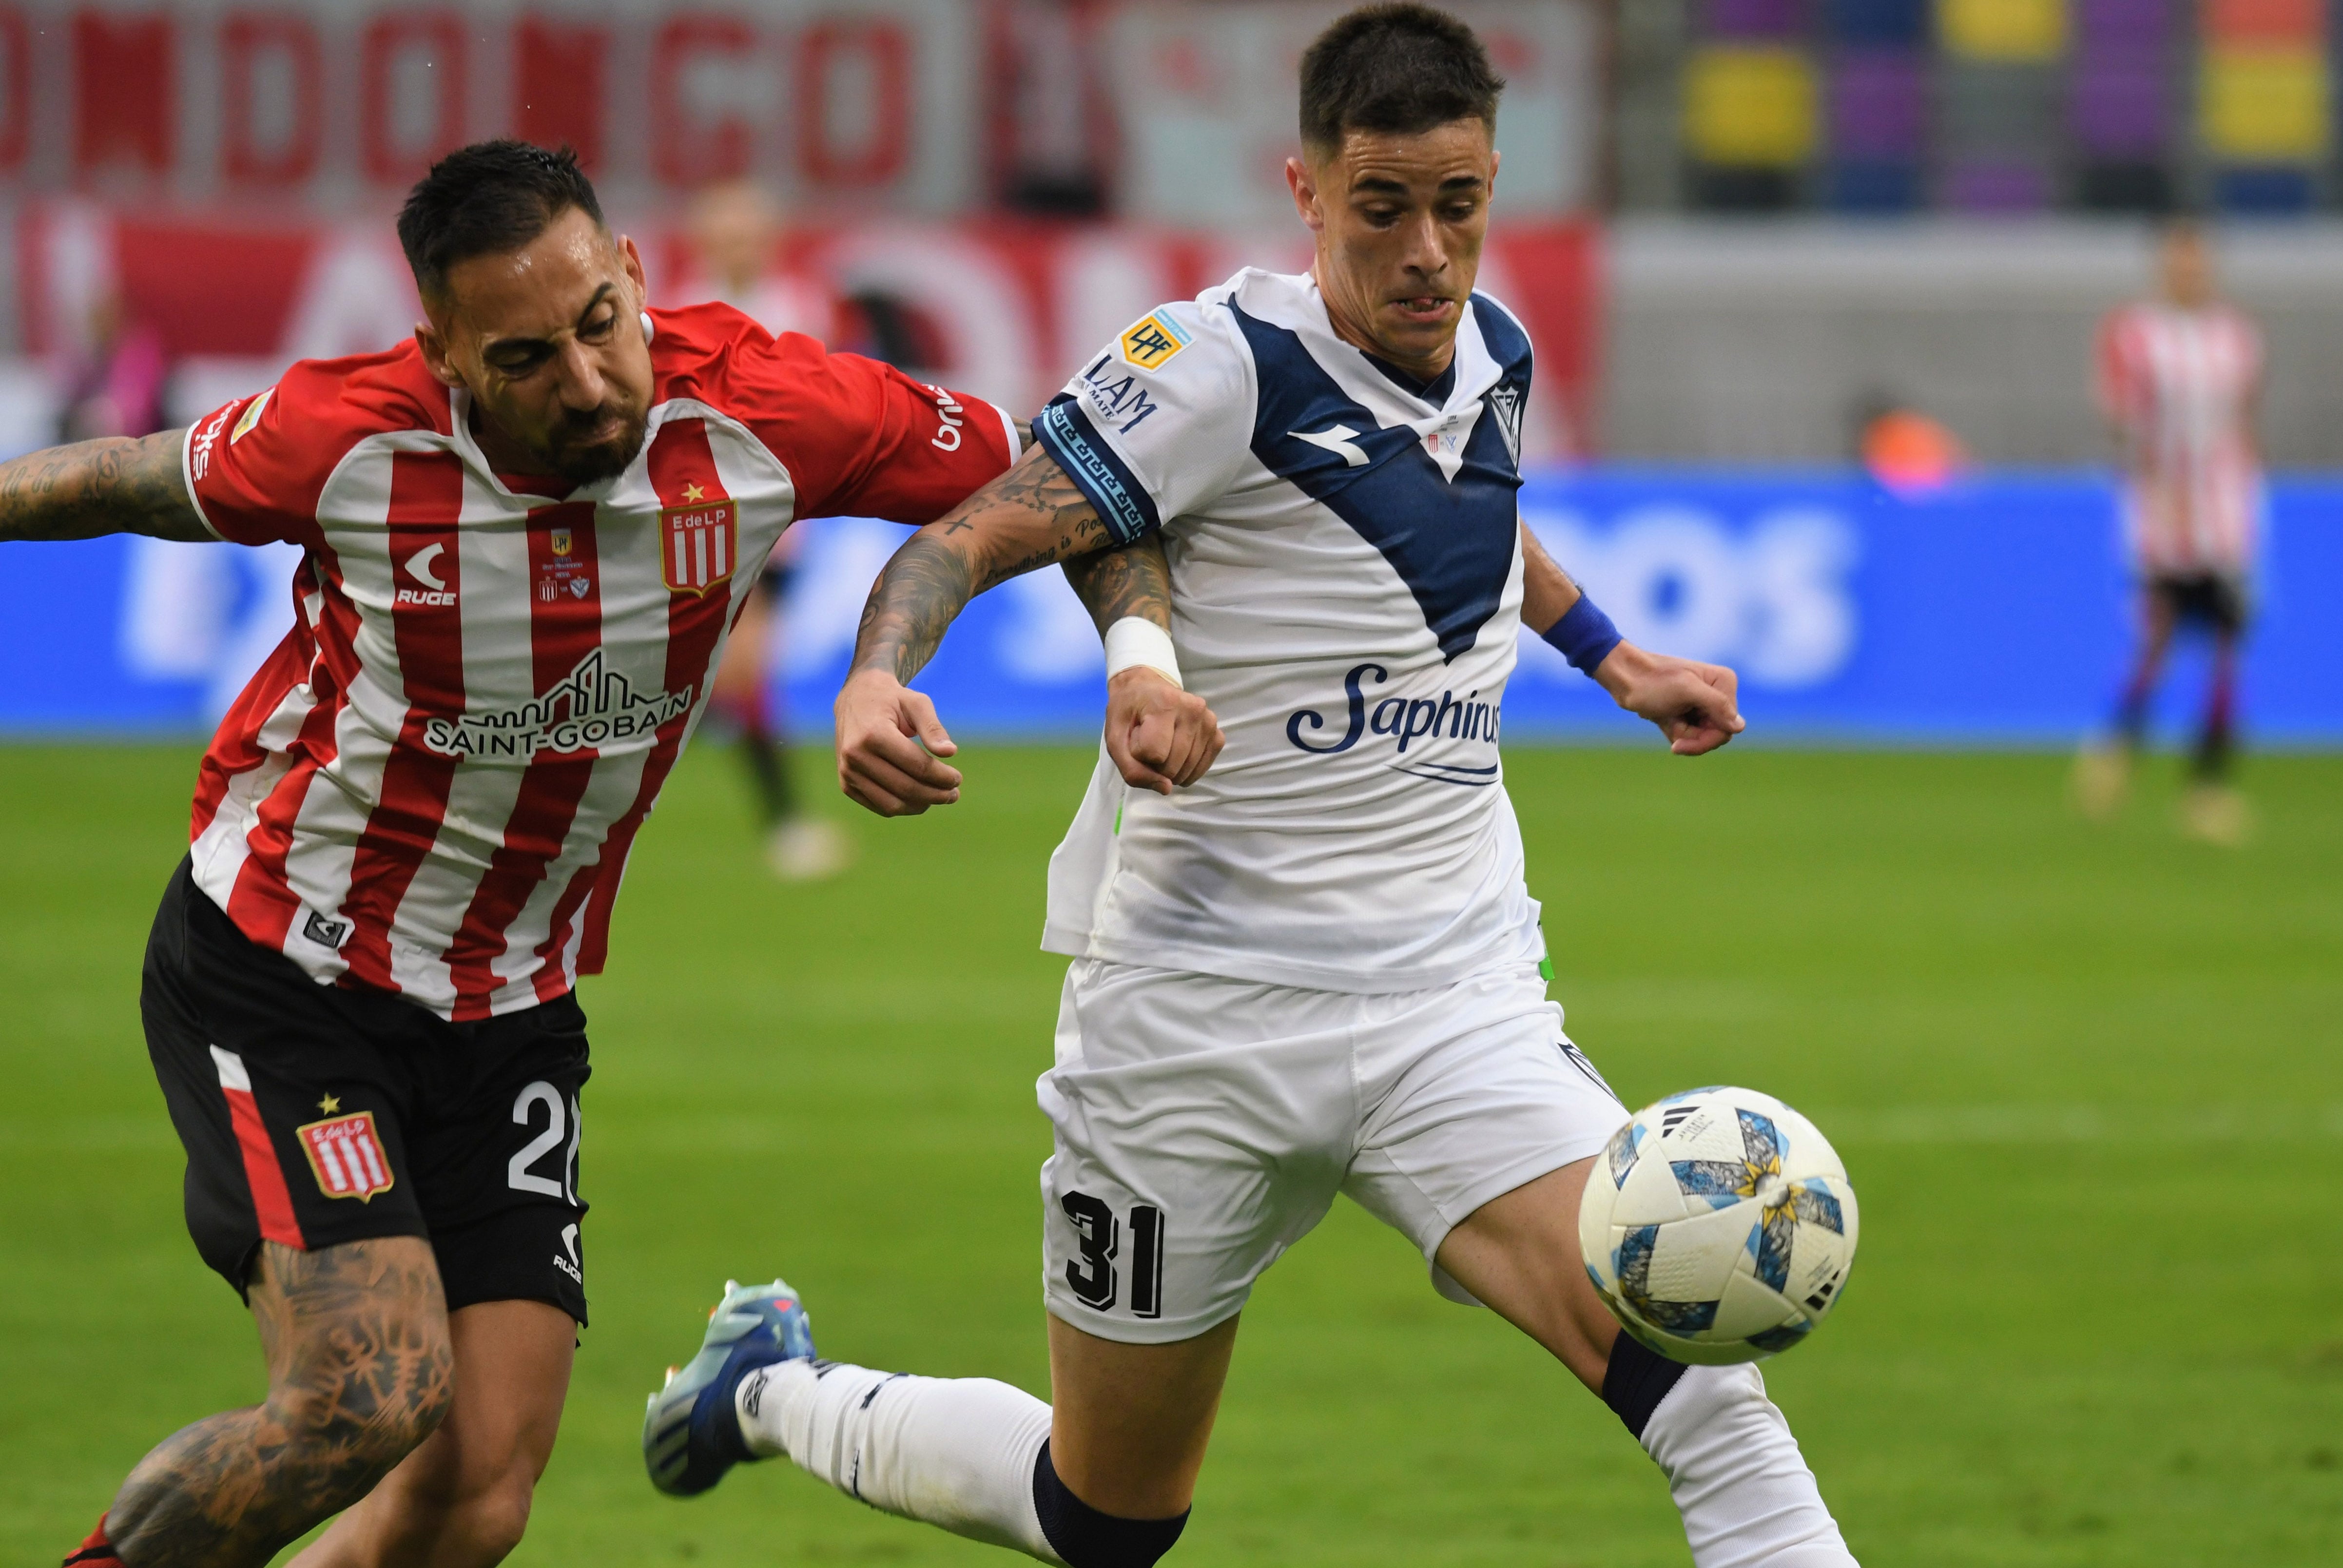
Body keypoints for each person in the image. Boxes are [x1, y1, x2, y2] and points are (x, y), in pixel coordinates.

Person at [642, 10, 1859, 1568]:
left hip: (1453, 1000)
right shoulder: (1216, 366)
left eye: (1462, 205)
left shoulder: (1494, 349)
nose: (1430, 253)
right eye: (1384, 210)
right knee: (1106, 1517)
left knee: (1711, 1405)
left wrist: (1613, 658)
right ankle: (778, 1392)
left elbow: (1471, 532)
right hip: (1196, 1019)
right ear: (1306, 187)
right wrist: (884, 673)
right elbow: (981, 529)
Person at [21, 140, 1022, 1568]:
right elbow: (119, 475)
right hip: (288, 968)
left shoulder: (763, 403)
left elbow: (1063, 482)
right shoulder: (350, 438)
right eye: (527, 355)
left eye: (601, 325)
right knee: (363, 1398)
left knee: (473, 1496)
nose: (588, 380)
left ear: (632, 273)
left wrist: (912, 661)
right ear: (444, 351)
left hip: (511, 1011)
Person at [676, 179, 853, 879]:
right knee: (729, 674)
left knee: (728, 674)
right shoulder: (680, 306)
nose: (738, 245)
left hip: (777, 518)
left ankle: (781, 825)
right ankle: (786, 826)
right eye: (727, 232)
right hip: (695, 512)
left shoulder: (799, 307)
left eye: (749, 232)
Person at [2077, 217, 2265, 845]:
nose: (2191, 271)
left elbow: (2242, 420)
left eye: (2199, 261)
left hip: (2226, 515)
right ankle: (2117, 746)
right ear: (2165, 267)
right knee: (2157, 640)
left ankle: (2207, 786)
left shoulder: (2237, 337)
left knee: (2226, 646)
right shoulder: (2135, 335)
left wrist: (2243, 499)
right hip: (2160, 515)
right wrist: (2155, 488)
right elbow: (2120, 420)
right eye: (2180, 261)